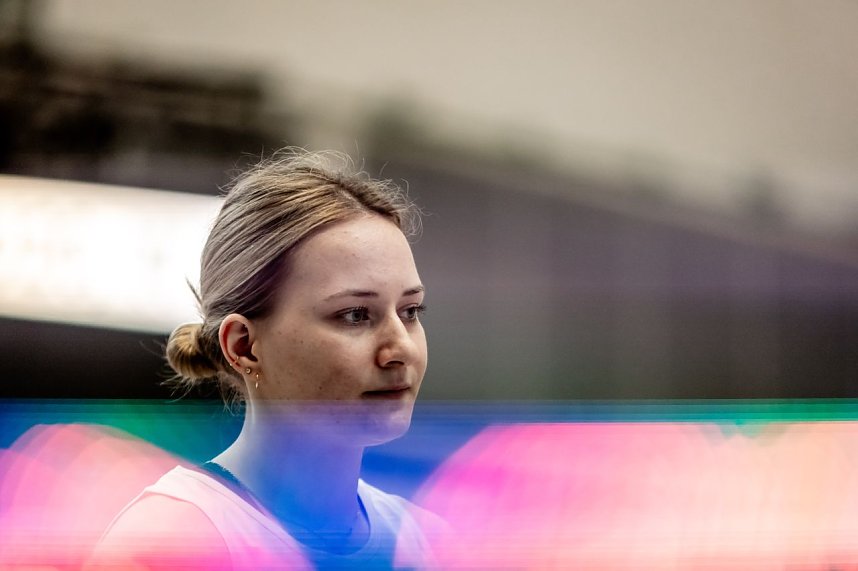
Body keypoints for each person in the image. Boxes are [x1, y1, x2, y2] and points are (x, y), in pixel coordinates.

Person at [88, 150, 443, 570]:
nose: (400, 348)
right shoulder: (168, 542)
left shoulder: (430, 542)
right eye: (354, 315)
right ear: (243, 346)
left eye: (410, 311)